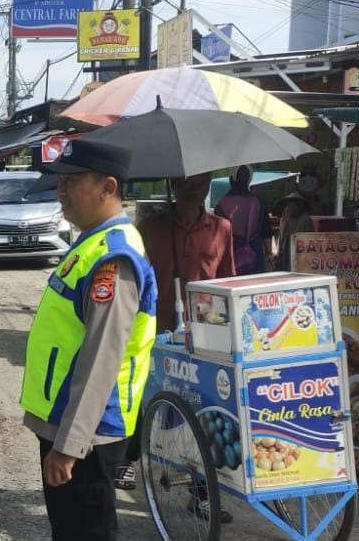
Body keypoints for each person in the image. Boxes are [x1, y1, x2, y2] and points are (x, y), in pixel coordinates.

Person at [21, 140, 159, 541]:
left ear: (108, 187)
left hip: (87, 433)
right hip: (69, 421)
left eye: (72, 181)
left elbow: (102, 358)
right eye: (60, 181)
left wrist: (69, 445)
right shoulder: (92, 242)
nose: (60, 190)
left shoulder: (113, 258)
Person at [114, 174, 236, 496]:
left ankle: (202, 490)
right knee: (142, 394)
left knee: (202, 405)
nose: (193, 189)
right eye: (185, 183)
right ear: (173, 184)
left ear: (208, 186)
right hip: (154, 329)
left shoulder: (221, 228)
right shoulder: (150, 229)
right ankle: (127, 457)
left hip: (203, 334)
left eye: (200, 182)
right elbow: (131, 279)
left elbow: (227, 281)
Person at [214, 166, 270, 276]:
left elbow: (218, 238)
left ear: (231, 179)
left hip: (231, 256)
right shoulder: (258, 202)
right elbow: (266, 232)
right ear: (249, 180)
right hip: (255, 256)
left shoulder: (221, 205)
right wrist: (269, 254)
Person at [273, 192, 315, 272]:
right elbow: (281, 239)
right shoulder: (283, 220)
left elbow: (310, 241)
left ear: (300, 206)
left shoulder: (306, 220)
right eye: (288, 205)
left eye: (294, 205)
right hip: (284, 254)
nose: (290, 208)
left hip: (299, 255)